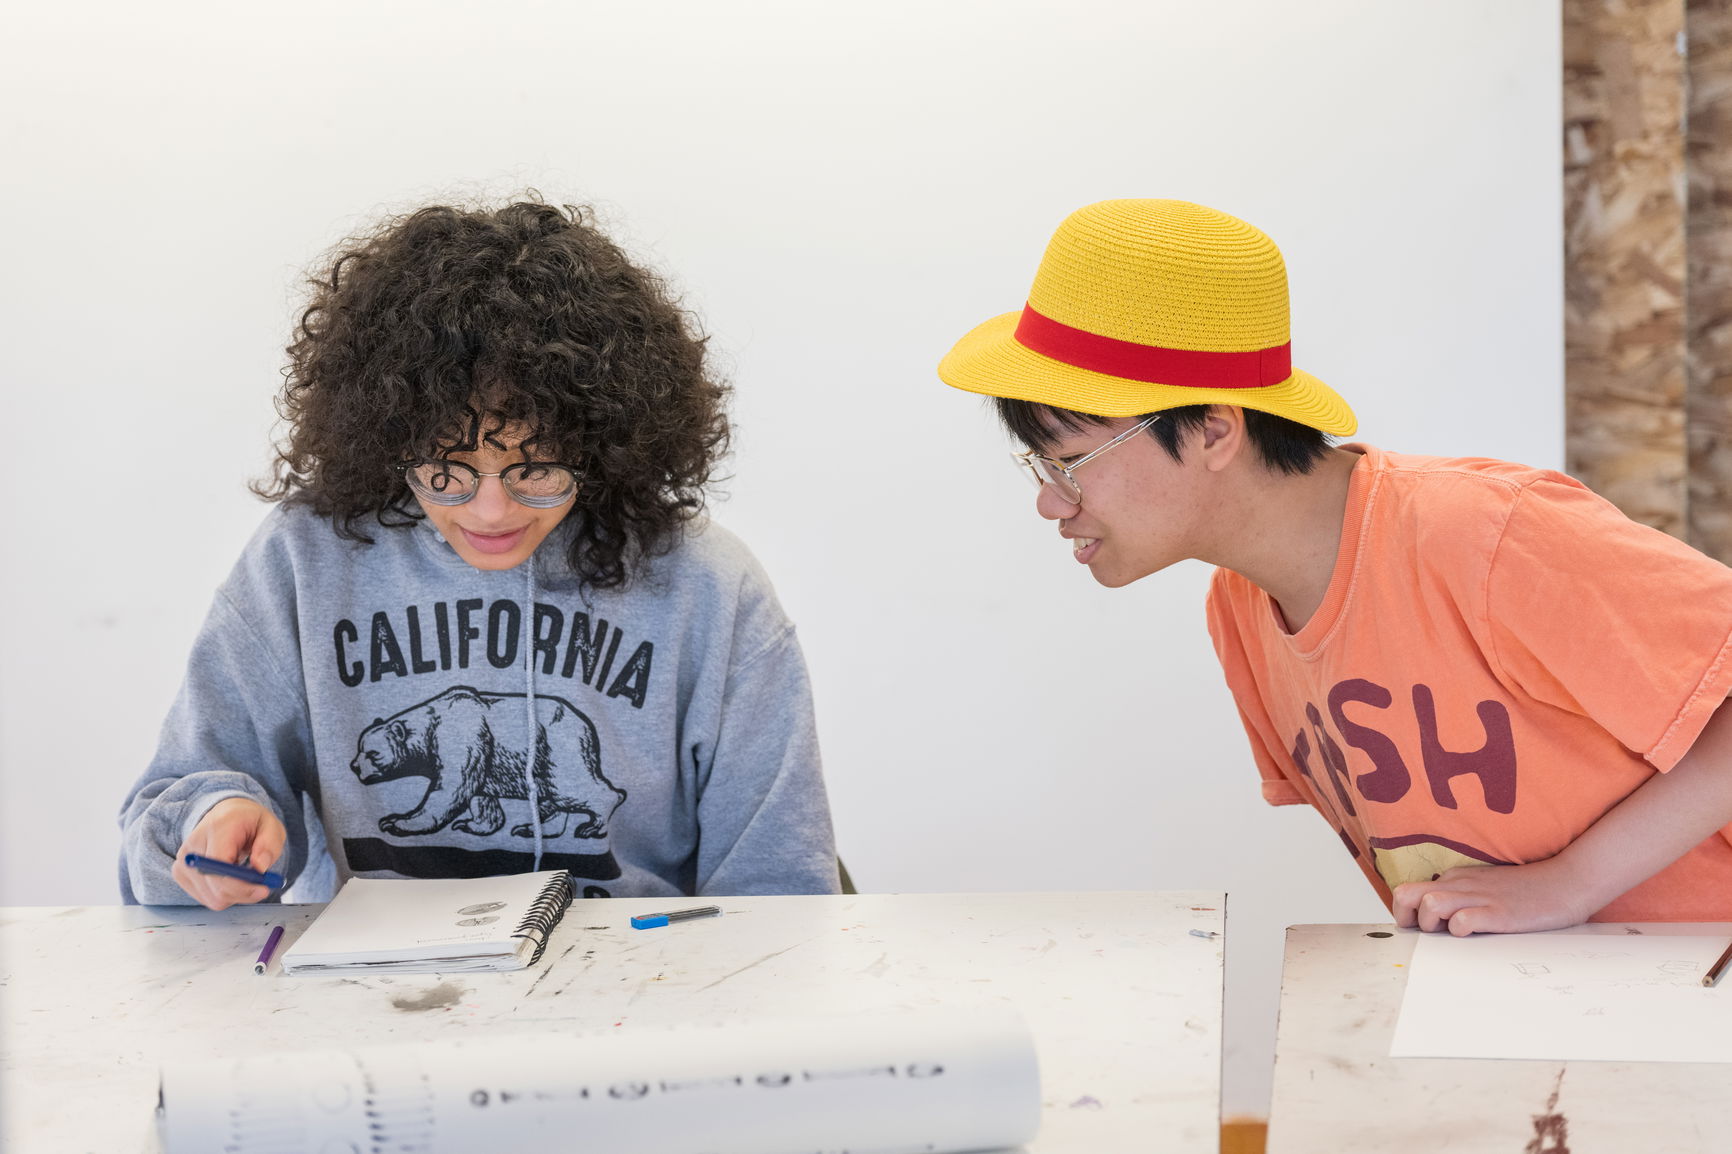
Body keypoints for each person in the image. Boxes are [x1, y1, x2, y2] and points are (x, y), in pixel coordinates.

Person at [938, 198, 1732, 935]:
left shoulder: (1479, 535)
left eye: (1072, 460)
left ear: (1216, 431)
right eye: (1038, 466)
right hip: (1536, 1013)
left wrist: (1575, 881)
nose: (1050, 502)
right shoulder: (1240, 611)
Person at [120, 198, 839, 909]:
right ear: (386, 441)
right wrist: (210, 823)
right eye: (444, 469)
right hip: (364, 1003)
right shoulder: (303, 563)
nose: (490, 509)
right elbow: (157, 835)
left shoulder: (709, 589)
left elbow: (780, 895)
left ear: (602, 444)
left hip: (635, 990)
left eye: (537, 468)